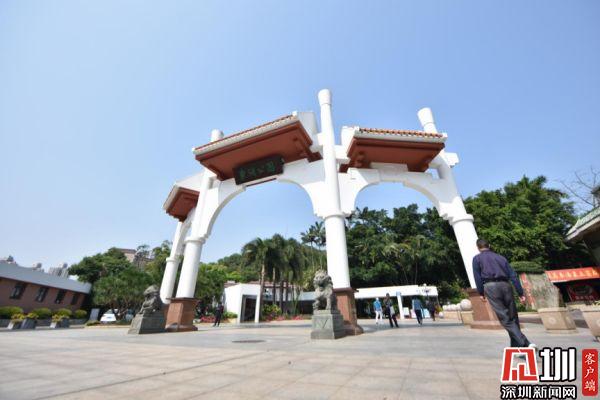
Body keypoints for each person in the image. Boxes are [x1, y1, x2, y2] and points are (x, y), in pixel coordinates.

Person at [473, 238, 536, 349]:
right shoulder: (501, 258)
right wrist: (520, 293)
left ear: (478, 248)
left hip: (490, 287)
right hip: (506, 285)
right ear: (489, 245)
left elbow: (477, 277)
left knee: (504, 318)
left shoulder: (477, 259)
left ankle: (526, 343)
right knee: (513, 316)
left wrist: (481, 293)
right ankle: (516, 346)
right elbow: (513, 275)